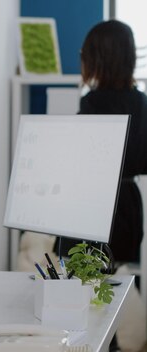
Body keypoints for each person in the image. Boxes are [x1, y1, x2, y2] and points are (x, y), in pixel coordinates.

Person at [55, 20, 147, 265]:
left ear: (95, 60)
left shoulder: (93, 103)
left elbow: (78, 162)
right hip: (129, 210)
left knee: (78, 277)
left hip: (95, 208)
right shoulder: (141, 102)